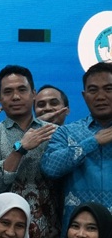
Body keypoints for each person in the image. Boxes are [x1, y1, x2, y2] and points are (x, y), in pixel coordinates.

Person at [0, 65, 61, 238]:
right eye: (8, 92)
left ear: (34, 94)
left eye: (22, 90)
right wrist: (20, 148)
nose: (15, 97)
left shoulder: (55, 133)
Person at [42, 62, 112, 228]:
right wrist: (92, 142)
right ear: (84, 95)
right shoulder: (66, 132)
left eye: (108, 89)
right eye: (93, 90)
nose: (100, 96)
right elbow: (49, 168)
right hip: (79, 233)